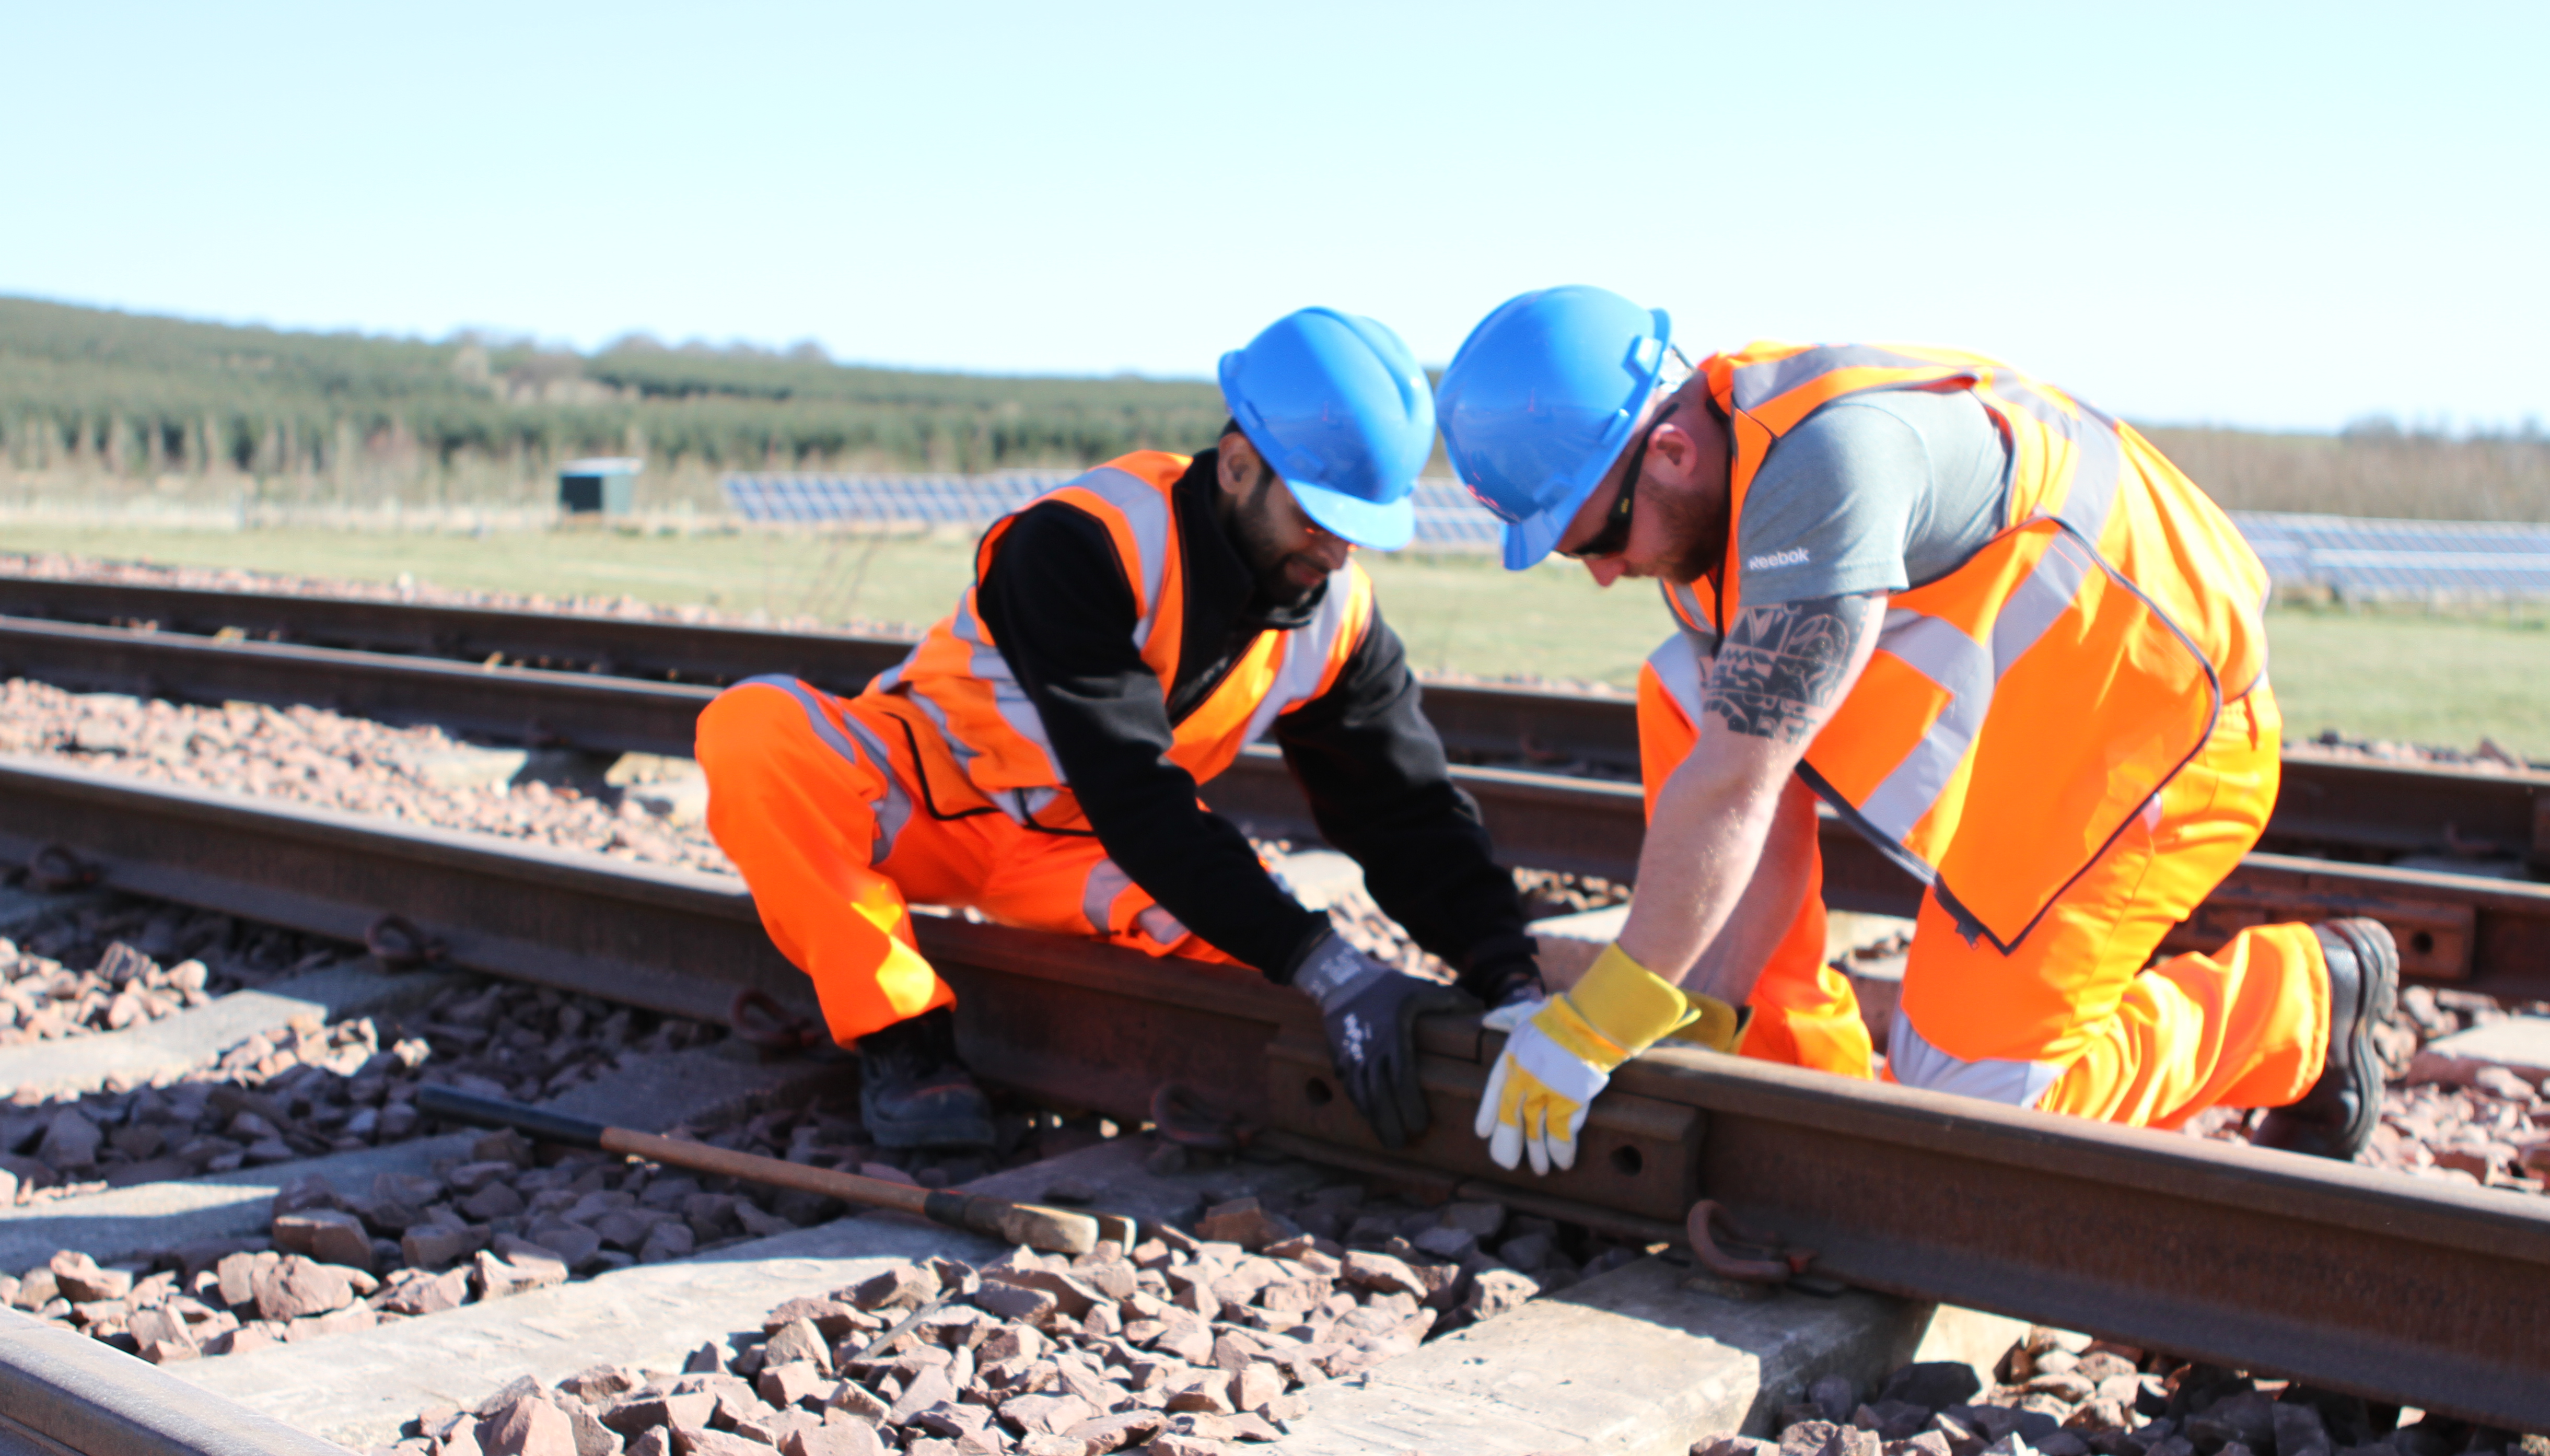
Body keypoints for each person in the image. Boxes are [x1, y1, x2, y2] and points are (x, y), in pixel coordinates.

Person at [1431, 286, 2397, 1176]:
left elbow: (1737, 784)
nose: (1604, 575)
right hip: (2040, 723)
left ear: (1672, 452)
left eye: (1597, 541)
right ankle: (1788, 1063)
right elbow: (1757, 803)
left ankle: (2304, 1002)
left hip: (2158, 736)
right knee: (1689, 691)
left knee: (1973, 1114)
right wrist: (1708, 1011)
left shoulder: (1827, 465)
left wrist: (1600, 1021)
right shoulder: (1706, 498)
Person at [698, 308, 1541, 1149]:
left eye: (1357, 532)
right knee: (755, 728)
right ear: (1238, 466)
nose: (1333, 554)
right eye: (1317, 518)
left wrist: (1505, 974)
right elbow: (1132, 782)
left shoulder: (1337, 617)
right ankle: (902, 1041)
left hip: (1091, 854)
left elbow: (1404, 809)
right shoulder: (1085, 539)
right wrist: (1323, 959)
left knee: (1281, 967)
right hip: (927, 800)